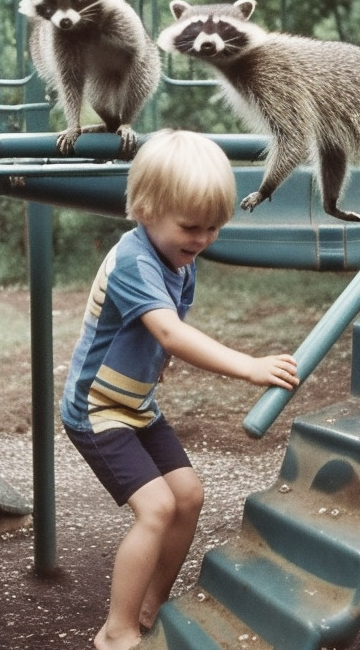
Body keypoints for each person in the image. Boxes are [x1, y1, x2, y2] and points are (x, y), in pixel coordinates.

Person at [60, 129, 300, 650]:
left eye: (214, 228)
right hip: (98, 410)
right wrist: (250, 367)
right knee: (157, 509)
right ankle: (115, 631)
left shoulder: (178, 259)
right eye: (192, 226)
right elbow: (168, 330)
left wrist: (154, 363)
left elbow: (151, 336)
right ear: (146, 209)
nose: (202, 239)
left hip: (136, 405)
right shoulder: (135, 261)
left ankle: (152, 604)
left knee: (188, 497)